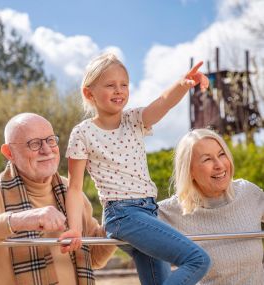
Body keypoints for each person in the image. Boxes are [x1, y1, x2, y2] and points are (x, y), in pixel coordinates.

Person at [62, 53, 211, 285]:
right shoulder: (82, 133)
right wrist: (73, 229)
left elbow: (162, 102)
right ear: (89, 93)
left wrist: (182, 85)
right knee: (197, 259)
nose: (119, 90)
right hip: (122, 215)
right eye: (110, 85)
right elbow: (74, 188)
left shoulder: (135, 120)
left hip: (148, 213)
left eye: (124, 85)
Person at [0, 113, 116, 285]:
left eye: (50, 140)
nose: (46, 150)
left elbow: (94, 258)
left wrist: (119, 222)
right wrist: (19, 220)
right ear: (9, 152)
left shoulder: (73, 194)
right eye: (34, 144)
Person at [158, 128, 264, 284]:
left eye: (222, 154)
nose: (219, 165)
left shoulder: (248, 193)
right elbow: (119, 223)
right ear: (189, 170)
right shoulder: (172, 211)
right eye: (207, 159)